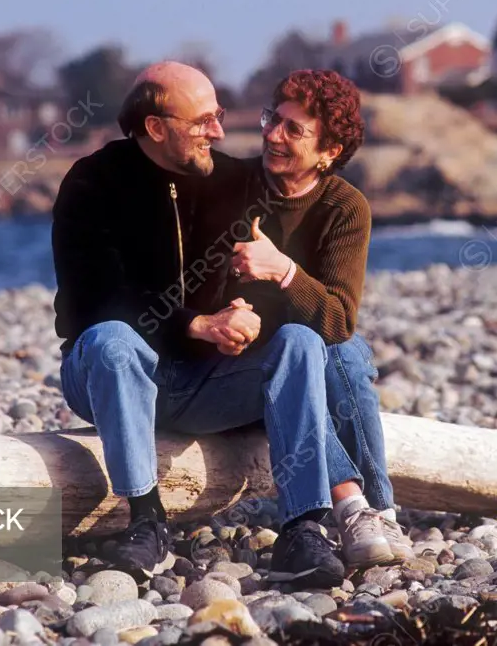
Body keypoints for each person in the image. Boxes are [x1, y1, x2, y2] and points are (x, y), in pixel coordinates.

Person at [52, 61, 367, 587]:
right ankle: (146, 522)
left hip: (206, 383)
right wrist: (195, 325)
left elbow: (260, 283)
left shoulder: (230, 181)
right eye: (203, 121)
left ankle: (303, 528)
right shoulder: (93, 182)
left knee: (300, 342)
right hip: (111, 373)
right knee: (112, 341)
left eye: (218, 117)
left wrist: (244, 316)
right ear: (157, 127)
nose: (219, 132)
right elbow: (94, 301)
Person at [225, 69, 416, 564]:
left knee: (342, 350)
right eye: (274, 119)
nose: (272, 135)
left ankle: (377, 514)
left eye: (294, 130)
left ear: (329, 152)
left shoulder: (345, 207)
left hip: (314, 349)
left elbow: (337, 319)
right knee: (311, 345)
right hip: (241, 361)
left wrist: (283, 271)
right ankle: (365, 509)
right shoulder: (232, 188)